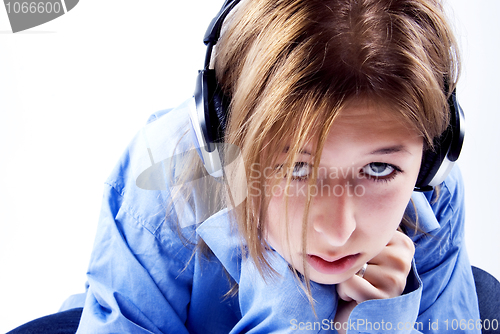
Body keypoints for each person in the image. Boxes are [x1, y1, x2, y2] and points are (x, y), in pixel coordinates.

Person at [8, 0, 485, 333]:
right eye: (296, 169)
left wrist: (376, 325)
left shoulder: (433, 190)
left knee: (485, 296)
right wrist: (295, 311)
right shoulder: (168, 177)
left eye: (379, 170)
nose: (338, 231)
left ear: (431, 155)